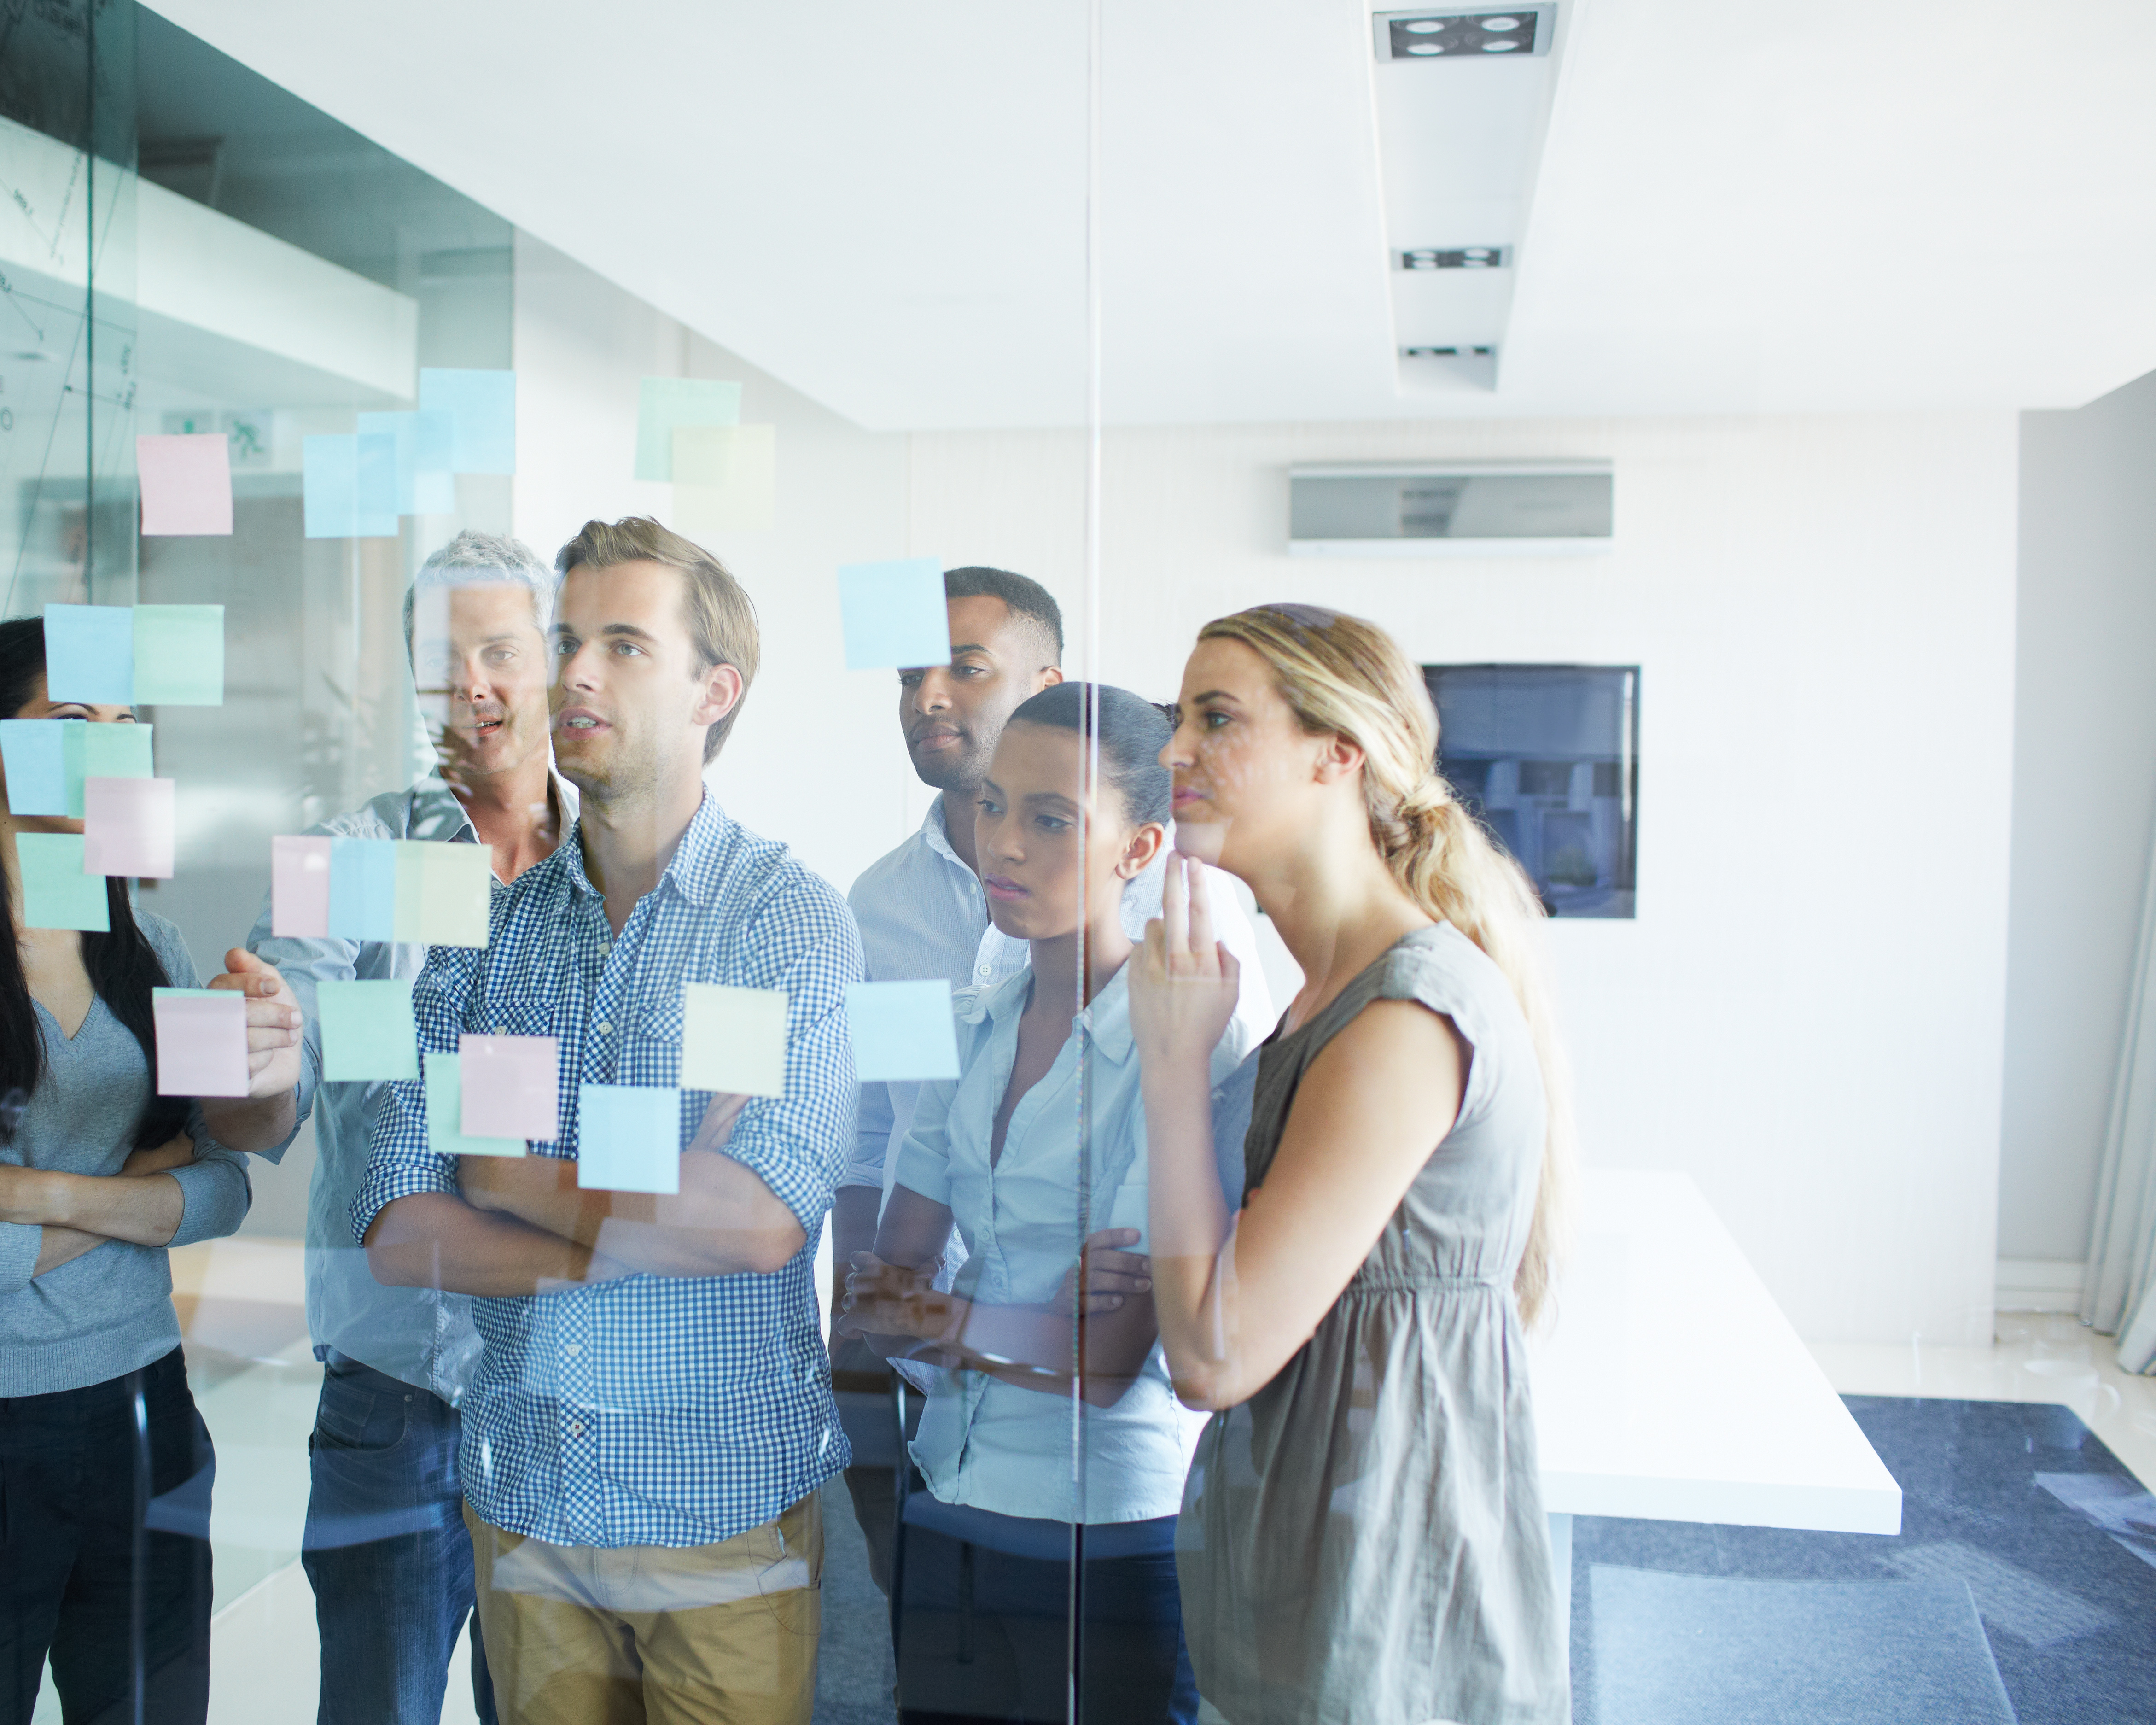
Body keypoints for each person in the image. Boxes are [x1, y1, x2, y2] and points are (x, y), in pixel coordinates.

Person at [356, 517, 863, 1725]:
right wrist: (648, 1208)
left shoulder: (785, 927)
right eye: (569, 640)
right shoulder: (490, 932)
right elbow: (401, 1227)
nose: (575, 673)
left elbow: (752, 1224)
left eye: (625, 646)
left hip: (718, 1521)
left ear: (713, 690)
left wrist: (514, 1179)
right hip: (529, 1504)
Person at [0, 616, 300, 1724]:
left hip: (145, 1415)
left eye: (125, 723)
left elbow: (231, 1187)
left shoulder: (156, 952)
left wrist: (23, 1190)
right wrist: (145, 1193)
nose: (107, 750)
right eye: (71, 721)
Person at [1129, 603, 1574, 1725]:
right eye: (1176, 718)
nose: (1173, 752)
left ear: (1341, 753)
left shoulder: (1403, 1014)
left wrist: (1172, 1066)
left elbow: (1213, 1354)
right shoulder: (1327, 997)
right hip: (1312, 1581)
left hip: (1381, 1609)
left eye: (1215, 718)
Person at [833, 567, 1276, 1594]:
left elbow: (1113, 1353)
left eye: (1048, 819)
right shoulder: (948, 995)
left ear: (1140, 847)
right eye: (995, 809)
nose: (1004, 843)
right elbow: (877, 1227)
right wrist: (962, 1323)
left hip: (1110, 1514)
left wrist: (941, 1314)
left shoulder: (1187, 994)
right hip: (950, 1470)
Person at [228, 531, 566, 1725]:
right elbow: (278, 1070)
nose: (471, 682)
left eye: (499, 649)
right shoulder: (350, 855)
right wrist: (262, 1043)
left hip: (569, 1401)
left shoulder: (619, 865)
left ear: (553, 659)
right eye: (441, 656)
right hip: (395, 1395)